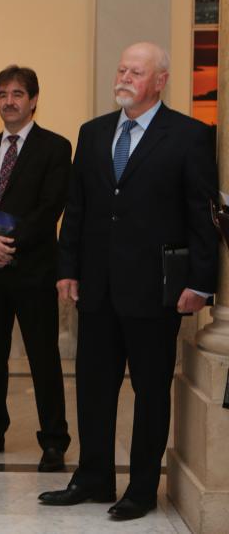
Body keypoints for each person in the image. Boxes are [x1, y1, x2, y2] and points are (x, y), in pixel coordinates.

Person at [39, 42, 218, 520]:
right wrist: (67, 268)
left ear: (160, 81)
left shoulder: (189, 136)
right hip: (96, 289)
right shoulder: (93, 133)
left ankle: (141, 489)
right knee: (93, 388)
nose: (124, 78)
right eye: (122, 69)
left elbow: (201, 215)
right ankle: (94, 478)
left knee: (151, 392)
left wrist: (201, 283)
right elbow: (76, 209)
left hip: (155, 292)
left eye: (136, 72)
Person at [0, 66, 71, 471]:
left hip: (33, 271)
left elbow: (50, 207)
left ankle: (54, 440)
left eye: (18, 93)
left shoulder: (55, 148)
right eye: (2, 94)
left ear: (33, 100)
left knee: (43, 358)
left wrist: (8, 244)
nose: (9, 101)